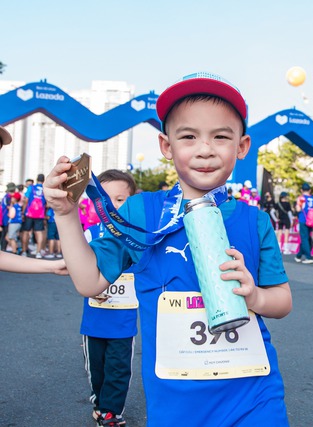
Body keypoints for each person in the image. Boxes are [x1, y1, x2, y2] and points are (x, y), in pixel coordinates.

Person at [44, 72, 292, 426]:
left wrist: (255, 298)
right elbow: (89, 282)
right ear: (166, 145)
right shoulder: (141, 212)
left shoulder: (254, 220)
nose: (205, 149)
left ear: (242, 146)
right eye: (188, 136)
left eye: (221, 137)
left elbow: (282, 301)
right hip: (176, 400)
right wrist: (66, 214)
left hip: (254, 394)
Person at [80, 170, 138, 426]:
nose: (113, 205)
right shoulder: (89, 234)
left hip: (124, 319)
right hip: (94, 318)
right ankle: (99, 402)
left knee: (119, 368)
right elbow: (78, 271)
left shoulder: (139, 237)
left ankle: (111, 412)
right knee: (97, 370)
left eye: (121, 199)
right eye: (106, 198)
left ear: (132, 201)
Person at [0, 125, 66, 274]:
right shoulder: (39, 189)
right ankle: (36, 251)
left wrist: (53, 266)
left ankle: (31, 251)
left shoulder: (31, 189)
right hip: (39, 216)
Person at [22, 173, 47, 258]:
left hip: (29, 213)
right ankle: (38, 252)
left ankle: (24, 251)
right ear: (44, 180)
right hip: (40, 215)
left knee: (26, 232)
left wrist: (23, 212)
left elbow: (26, 200)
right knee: (39, 233)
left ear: (37, 179)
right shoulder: (45, 189)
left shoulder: (31, 187)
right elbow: (47, 204)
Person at [295, 182, 313, 264]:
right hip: (312, 221)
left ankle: (308, 257)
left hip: (303, 220)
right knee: (307, 237)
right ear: (310, 190)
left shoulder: (301, 198)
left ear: (301, 190)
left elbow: (298, 209)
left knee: (304, 238)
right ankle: (298, 255)